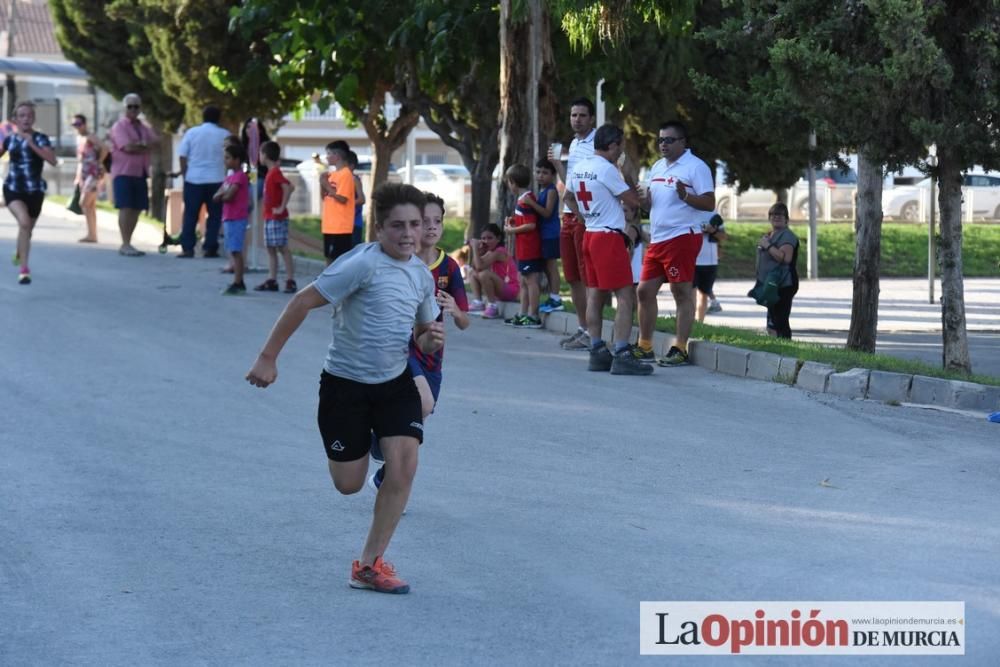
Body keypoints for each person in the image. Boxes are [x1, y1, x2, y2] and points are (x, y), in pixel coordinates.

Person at [246, 183, 444, 595]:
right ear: (378, 227)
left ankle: (368, 566)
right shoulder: (360, 265)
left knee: (405, 466)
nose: (408, 234)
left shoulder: (421, 275)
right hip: (345, 387)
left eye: (415, 225)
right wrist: (268, 357)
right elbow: (301, 302)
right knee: (348, 484)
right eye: (397, 226)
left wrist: (428, 341)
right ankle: (369, 443)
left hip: (394, 383)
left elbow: (423, 332)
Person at [368, 191, 470, 490]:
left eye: (436, 221)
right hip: (399, 349)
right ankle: (378, 442)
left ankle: (384, 472)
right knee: (422, 405)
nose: (430, 228)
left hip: (432, 357)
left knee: (414, 423)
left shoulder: (449, 268)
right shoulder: (398, 261)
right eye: (423, 221)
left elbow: (465, 323)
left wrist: (454, 309)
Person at [568, 124, 651, 376]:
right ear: (613, 145)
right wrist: (627, 172)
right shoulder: (607, 169)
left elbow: (568, 198)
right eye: (620, 147)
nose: (621, 151)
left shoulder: (581, 166)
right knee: (625, 296)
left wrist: (585, 217)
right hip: (608, 236)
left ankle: (597, 349)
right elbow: (635, 201)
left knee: (595, 294)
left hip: (590, 233)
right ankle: (623, 352)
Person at [635, 121, 715, 366]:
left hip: (681, 237)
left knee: (680, 292)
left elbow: (709, 203)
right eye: (660, 140)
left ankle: (680, 348)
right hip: (658, 239)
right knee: (644, 291)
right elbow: (654, 205)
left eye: (669, 140)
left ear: (682, 142)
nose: (663, 145)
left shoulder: (696, 167)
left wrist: (686, 196)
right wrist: (644, 200)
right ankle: (644, 346)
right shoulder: (657, 167)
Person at [549, 97, 597, 350]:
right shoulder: (575, 144)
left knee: (588, 276)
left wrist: (583, 212)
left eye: (582, 115)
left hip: (584, 216)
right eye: (573, 115)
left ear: (591, 118)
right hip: (567, 214)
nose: (577, 119)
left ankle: (593, 332)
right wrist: (558, 165)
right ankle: (583, 328)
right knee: (573, 277)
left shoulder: (596, 143)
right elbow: (572, 183)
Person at [2, 101, 57, 285]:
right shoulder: (10, 139)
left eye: (29, 115)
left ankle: (19, 251)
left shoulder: (41, 138)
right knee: (24, 222)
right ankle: (24, 270)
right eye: (22, 115)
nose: (26, 118)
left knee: (27, 230)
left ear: (33, 118)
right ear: (15, 119)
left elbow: (52, 160)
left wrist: (31, 143)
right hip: (13, 188)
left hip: (34, 191)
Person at [109, 93, 159, 257]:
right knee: (126, 207)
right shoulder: (119, 126)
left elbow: (156, 142)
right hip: (124, 172)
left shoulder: (143, 127)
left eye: (136, 106)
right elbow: (127, 147)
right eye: (129, 106)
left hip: (140, 172)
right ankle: (124, 243)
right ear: (124, 108)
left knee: (137, 207)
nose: (133, 109)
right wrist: (143, 146)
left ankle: (129, 241)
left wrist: (141, 145)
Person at [177, 106, 230, 258]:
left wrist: (185, 174)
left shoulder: (192, 133)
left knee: (190, 214)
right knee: (215, 215)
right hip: (216, 179)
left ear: (203, 117)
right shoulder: (225, 135)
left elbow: (182, 155)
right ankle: (210, 247)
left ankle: (188, 248)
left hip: (194, 179)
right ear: (219, 118)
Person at [502, 164, 544, 328]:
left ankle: (533, 315)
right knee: (523, 281)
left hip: (529, 248)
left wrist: (512, 230)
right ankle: (523, 313)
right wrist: (514, 222)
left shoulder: (525, 201)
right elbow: (524, 221)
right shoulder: (523, 200)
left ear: (513, 182)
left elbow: (531, 225)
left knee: (531, 281)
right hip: (523, 248)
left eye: (508, 182)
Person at [253, 140, 297, 293]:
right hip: (269, 216)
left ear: (265, 155)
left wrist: (282, 207)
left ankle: (290, 280)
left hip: (277, 217)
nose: (259, 156)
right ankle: (272, 279)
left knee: (282, 248)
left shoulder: (275, 172)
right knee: (271, 248)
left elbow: (289, 187)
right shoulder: (271, 173)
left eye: (260, 153)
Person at [524, 158, 563, 313]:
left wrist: (532, 204)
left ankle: (556, 298)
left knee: (552, 267)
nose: (540, 176)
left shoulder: (552, 191)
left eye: (545, 173)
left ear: (553, 175)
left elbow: (547, 213)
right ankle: (552, 297)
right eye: (538, 172)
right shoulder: (541, 191)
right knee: (547, 267)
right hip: (543, 233)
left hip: (551, 234)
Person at [756, 202, 800, 338]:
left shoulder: (787, 236)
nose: (776, 217)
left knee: (780, 321)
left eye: (780, 215)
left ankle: (786, 350)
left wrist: (767, 246)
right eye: (774, 214)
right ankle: (775, 348)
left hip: (784, 283)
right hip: (771, 284)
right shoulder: (770, 235)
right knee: (772, 321)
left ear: (787, 219)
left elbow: (785, 258)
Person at [214, 143, 250, 295]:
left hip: (237, 218)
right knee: (232, 250)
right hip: (228, 217)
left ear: (237, 160)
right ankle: (237, 280)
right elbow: (216, 196)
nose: (225, 161)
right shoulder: (229, 177)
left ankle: (239, 281)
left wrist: (223, 194)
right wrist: (222, 194)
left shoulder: (240, 177)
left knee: (236, 251)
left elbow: (228, 196)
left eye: (228, 158)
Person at [467, 223, 519, 319]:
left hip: (511, 291)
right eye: (483, 238)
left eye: (490, 238)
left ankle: (493, 306)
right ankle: (478, 302)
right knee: (472, 273)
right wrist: (478, 252)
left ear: (498, 239)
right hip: (501, 288)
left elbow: (479, 267)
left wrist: (474, 248)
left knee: (484, 274)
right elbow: (475, 267)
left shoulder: (499, 252)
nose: (486, 241)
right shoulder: (491, 251)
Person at [319, 143, 356, 265]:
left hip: (340, 227)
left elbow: (342, 198)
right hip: (329, 225)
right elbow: (325, 197)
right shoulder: (332, 175)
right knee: (329, 257)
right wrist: (322, 184)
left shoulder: (346, 174)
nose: (326, 157)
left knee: (339, 261)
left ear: (337, 155)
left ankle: (337, 283)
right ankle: (328, 283)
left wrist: (326, 185)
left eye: (329, 154)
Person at [71, 114, 105, 244]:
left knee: (84, 203)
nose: (77, 127)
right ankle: (92, 234)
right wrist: (78, 176)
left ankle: (92, 234)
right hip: (84, 174)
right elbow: (81, 160)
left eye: (79, 124)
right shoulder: (79, 138)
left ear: (84, 124)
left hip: (93, 173)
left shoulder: (90, 136)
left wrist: (99, 162)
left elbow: (105, 148)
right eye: (74, 125)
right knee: (90, 206)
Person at [694, 212, 727, 322]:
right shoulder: (688, 212)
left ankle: (699, 323)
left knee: (703, 294)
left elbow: (723, 236)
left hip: (710, 262)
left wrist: (712, 230)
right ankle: (688, 321)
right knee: (689, 294)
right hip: (692, 260)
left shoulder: (715, 216)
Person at [348, 150, 367, 247]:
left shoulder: (354, 179)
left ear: (351, 166)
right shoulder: (336, 179)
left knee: (352, 254)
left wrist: (345, 203)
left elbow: (362, 199)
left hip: (354, 224)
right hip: (341, 224)